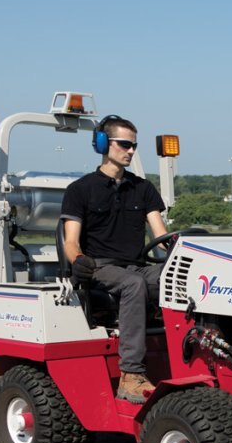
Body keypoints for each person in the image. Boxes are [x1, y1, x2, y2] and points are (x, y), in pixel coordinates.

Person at [60, 115, 168, 404]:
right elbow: (70, 242)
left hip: (136, 266)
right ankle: (131, 375)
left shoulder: (143, 188)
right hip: (99, 267)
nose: (131, 151)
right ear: (103, 144)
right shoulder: (80, 190)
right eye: (124, 144)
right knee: (133, 284)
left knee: (177, 277)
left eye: (134, 146)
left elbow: (162, 237)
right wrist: (78, 259)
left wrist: (185, 259)